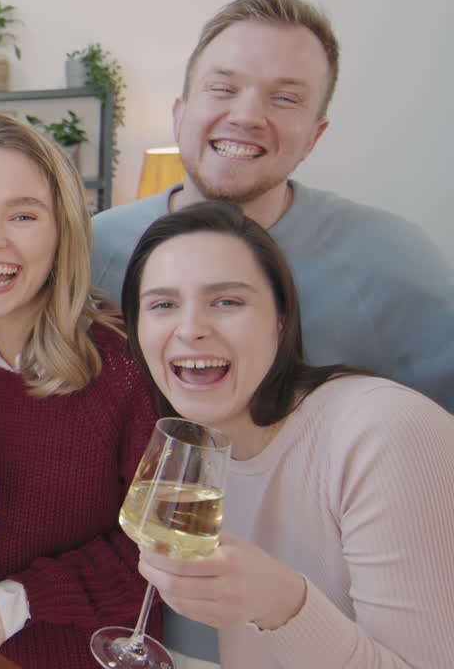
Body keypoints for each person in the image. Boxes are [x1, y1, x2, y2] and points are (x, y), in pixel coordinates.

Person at [120, 201, 454, 668]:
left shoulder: (387, 433)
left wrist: (282, 606)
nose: (191, 329)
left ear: (281, 318)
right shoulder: (202, 454)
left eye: (227, 301)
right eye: (163, 304)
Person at [90, 0, 454, 415]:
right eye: (223, 88)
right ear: (180, 113)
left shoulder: (394, 259)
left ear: (314, 136)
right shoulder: (92, 250)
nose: (246, 116)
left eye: (284, 98)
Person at [0, 114, 158, 668]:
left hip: (86, 652)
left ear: (63, 231)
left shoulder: (123, 364)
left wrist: (21, 600)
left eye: (22, 215)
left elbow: (152, 547)